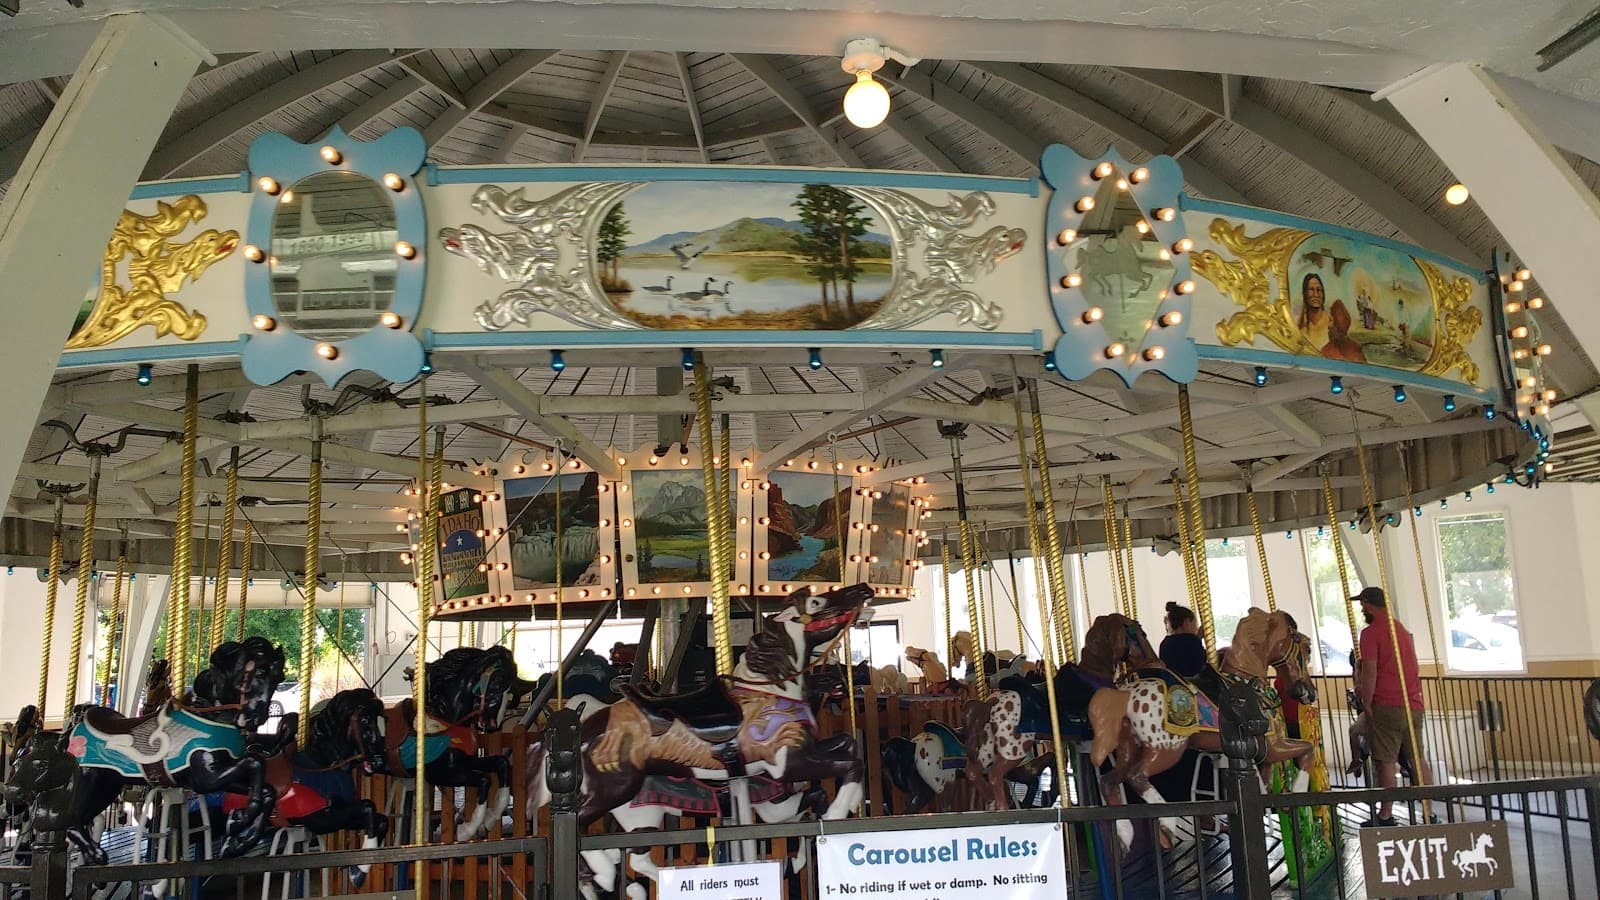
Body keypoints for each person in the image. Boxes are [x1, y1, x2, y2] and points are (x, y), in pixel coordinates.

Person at [1356, 586, 1433, 826]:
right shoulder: (1399, 629)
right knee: (1417, 757)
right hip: (1413, 702)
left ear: (1368, 605)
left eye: (1362, 605)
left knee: (1385, 760)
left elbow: (1370, 671)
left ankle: (1386, 813)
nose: (1361, 610)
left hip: (1387, 704)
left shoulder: (1371, 633)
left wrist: (1366, 702)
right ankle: (1429, 810)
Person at [1159, 602, 1208, 678]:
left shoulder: (1165, 643)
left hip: (1175, 682)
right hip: (1192, 682)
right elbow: (1200, 663)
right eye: (1194, 624)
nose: (1196, 628)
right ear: (1187, 622)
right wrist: (1198, 638)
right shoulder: (1191, 640)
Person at [1297, 273, 1331, 351]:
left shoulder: (1330, 323)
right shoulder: (1302, 328)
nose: (1316, 294)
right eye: (1311, 290)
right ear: (1305, 294)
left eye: (1319, 290)